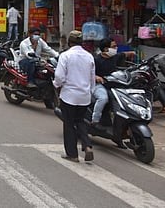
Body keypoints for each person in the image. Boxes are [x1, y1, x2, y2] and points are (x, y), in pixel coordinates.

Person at [53, 30, 95, 162]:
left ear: (69, 42)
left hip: (69, 95)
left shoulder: (65, 55)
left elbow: (59, 76)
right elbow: (92, 78)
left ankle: (72, 154)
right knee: (80, 121)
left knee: (69, 124)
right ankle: (87, 145)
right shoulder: (89, 56)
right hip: (84, 96)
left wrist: (56, 85)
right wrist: (90, 92)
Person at [91, 37, 135, 128]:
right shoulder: (96, 60)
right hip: (99, 85)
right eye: (114, 46)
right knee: (103, 98)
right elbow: (89, 73)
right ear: (106, 49)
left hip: (113, 84)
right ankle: (95, 121)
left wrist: (132, 53)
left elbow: (125, 54)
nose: (116, 48)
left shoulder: (115, 57)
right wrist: (96, 77)